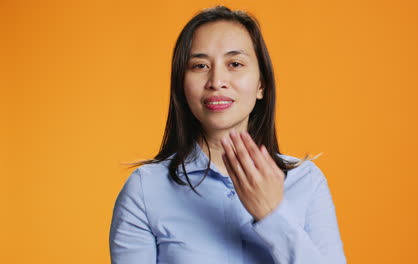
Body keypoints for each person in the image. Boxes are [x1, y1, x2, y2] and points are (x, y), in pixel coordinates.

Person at [109, 5, 347, 264]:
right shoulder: (145, 189)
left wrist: (272, 215)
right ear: (181, 85)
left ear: (261, 85)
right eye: (200, 65)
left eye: (235, 63)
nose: (217, 80)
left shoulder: (307, 181)